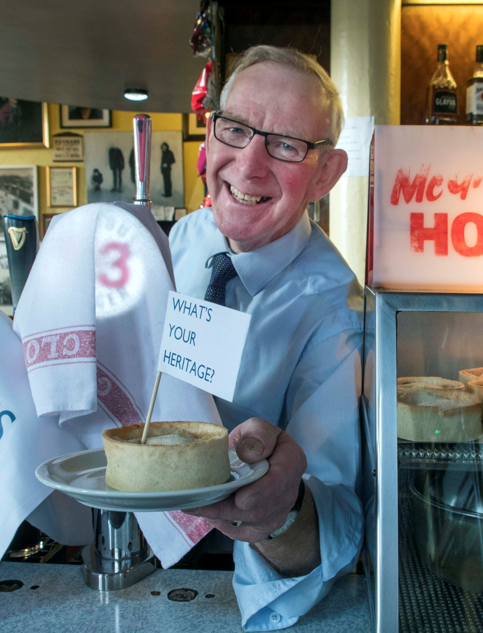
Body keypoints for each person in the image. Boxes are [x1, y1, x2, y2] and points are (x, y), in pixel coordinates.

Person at [169, 45, 361, 630]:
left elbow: (333, 526)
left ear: (326, 173)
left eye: (285, 145)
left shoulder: (337, 314)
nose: (248, 166)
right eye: (236, 130)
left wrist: (282, 513)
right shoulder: (182, 239)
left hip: (220, 585)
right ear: (210, 135)